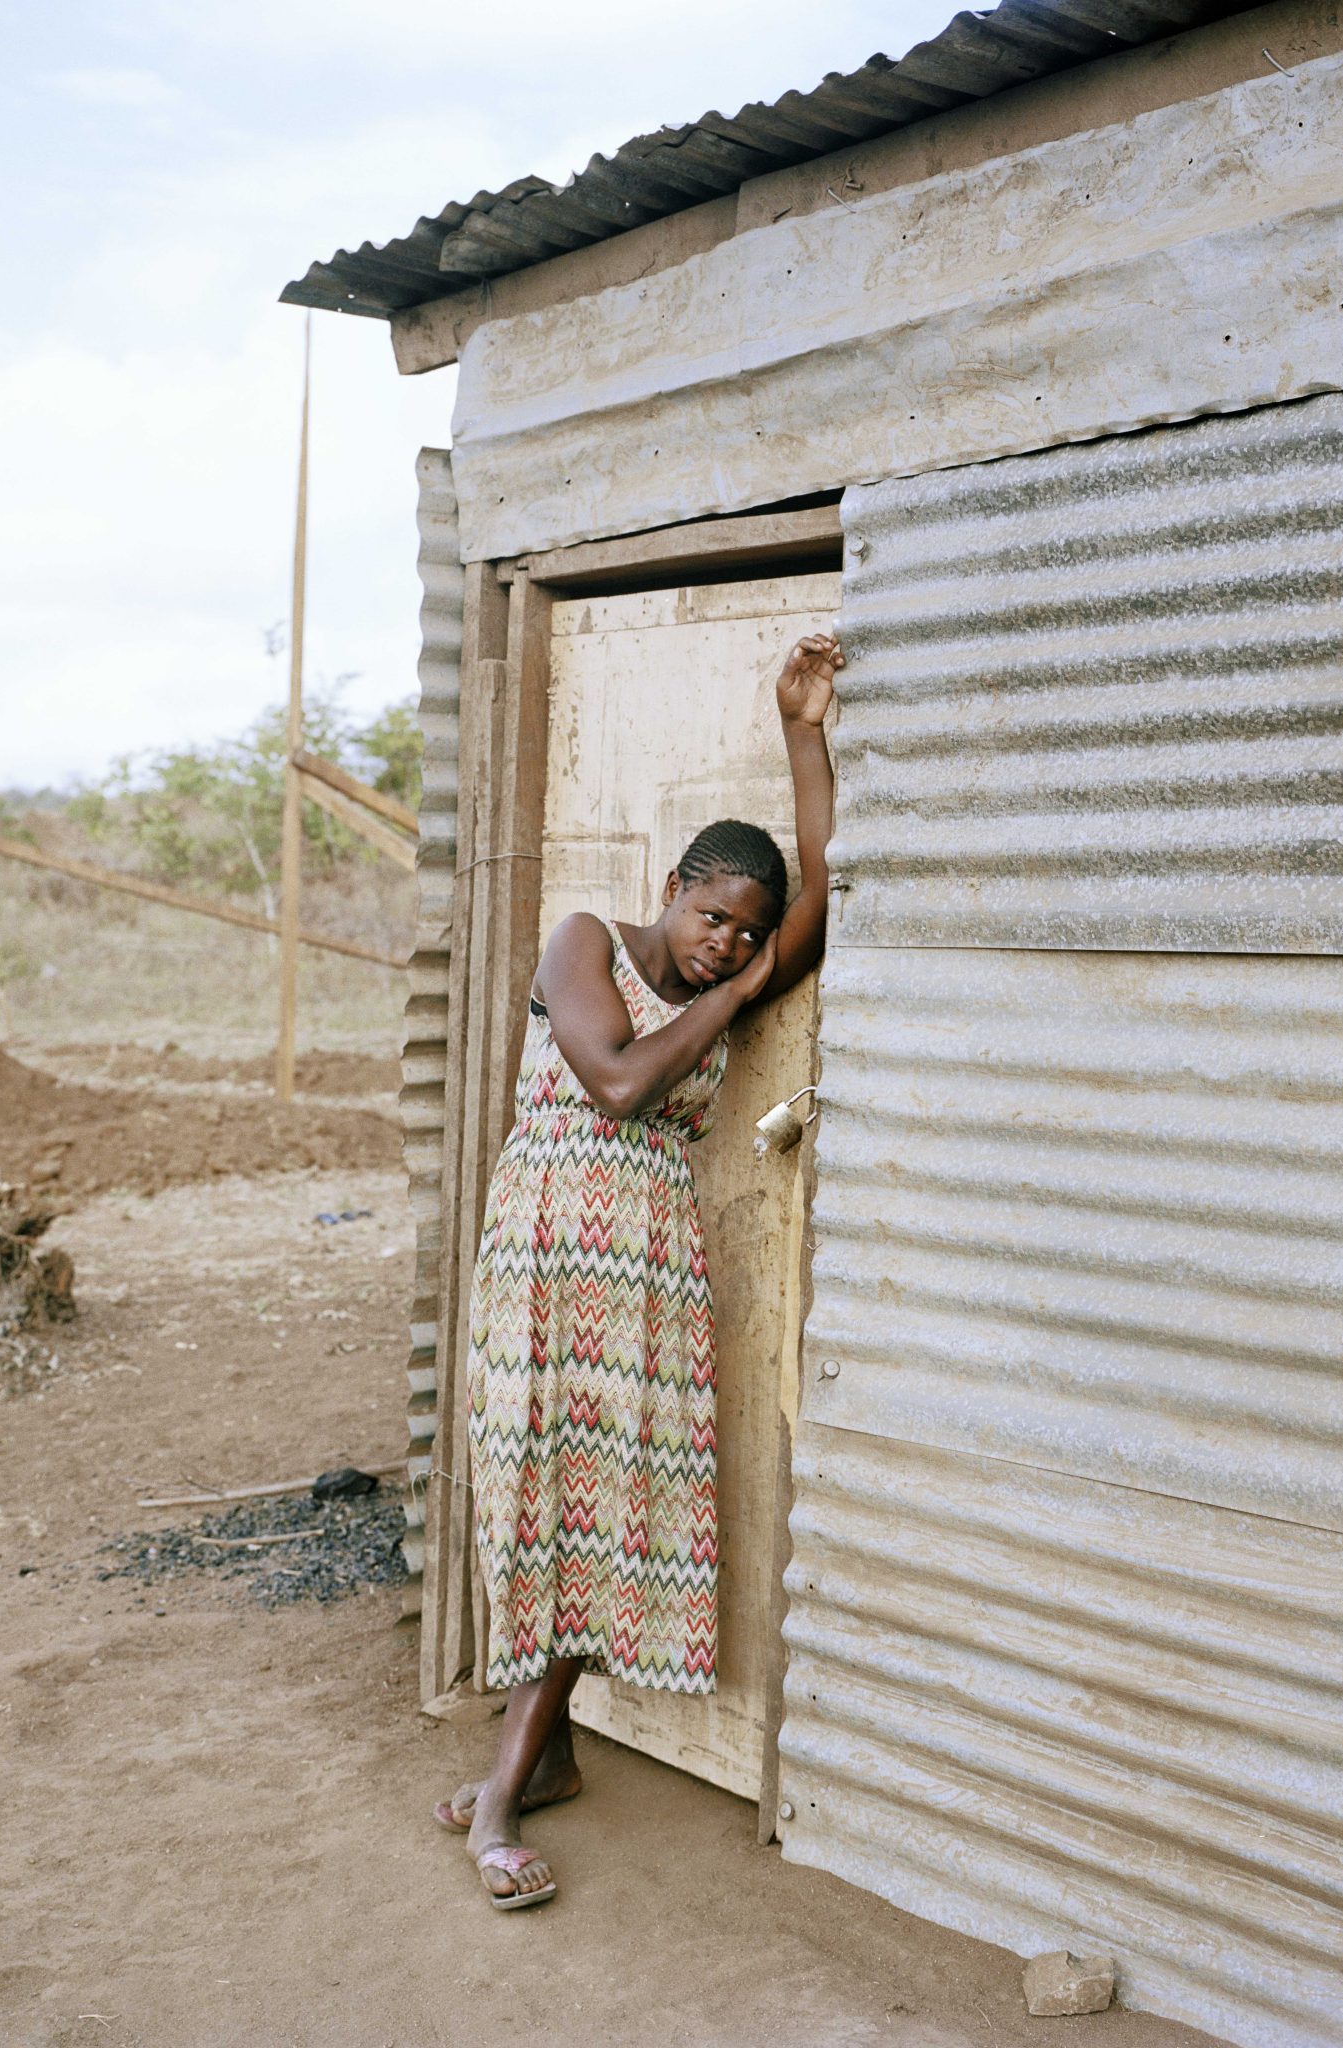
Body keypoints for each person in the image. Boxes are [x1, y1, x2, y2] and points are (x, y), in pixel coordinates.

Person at [432, 631, 842, 1908]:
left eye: (747, 934)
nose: (727, 943)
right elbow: (613, 1082)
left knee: (596, 1517)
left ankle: (518, 1776)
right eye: (714, 915)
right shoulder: (583, 938)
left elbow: (828, 884)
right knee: (536, 1498)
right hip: (546, 1253)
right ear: (671, 888)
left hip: (648, 1277)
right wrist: (736, 995)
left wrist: (801, 732)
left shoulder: (733, 957)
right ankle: (523, 1764)